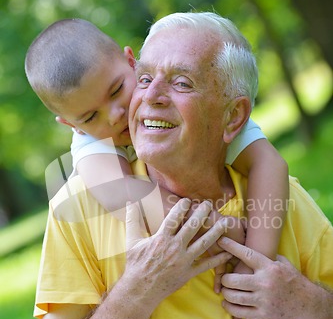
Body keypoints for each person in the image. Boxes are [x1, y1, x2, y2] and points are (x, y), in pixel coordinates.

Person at [34, 11, 333, 319]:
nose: (146, 98)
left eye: (181, 83)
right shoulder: (83, 202)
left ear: (233, 116)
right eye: (148, 78)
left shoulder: (275, 193)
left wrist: (305, 303)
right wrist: (141, 286)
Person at [25, 18, 289, 278]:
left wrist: (257, 259)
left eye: (117, 90)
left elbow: (269, 163)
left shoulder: (203, 115)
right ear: (72, 124)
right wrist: (216, 227)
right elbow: (125, 197)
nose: (115, 115)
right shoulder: (89, 146)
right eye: (91, 117)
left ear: (133, 62)